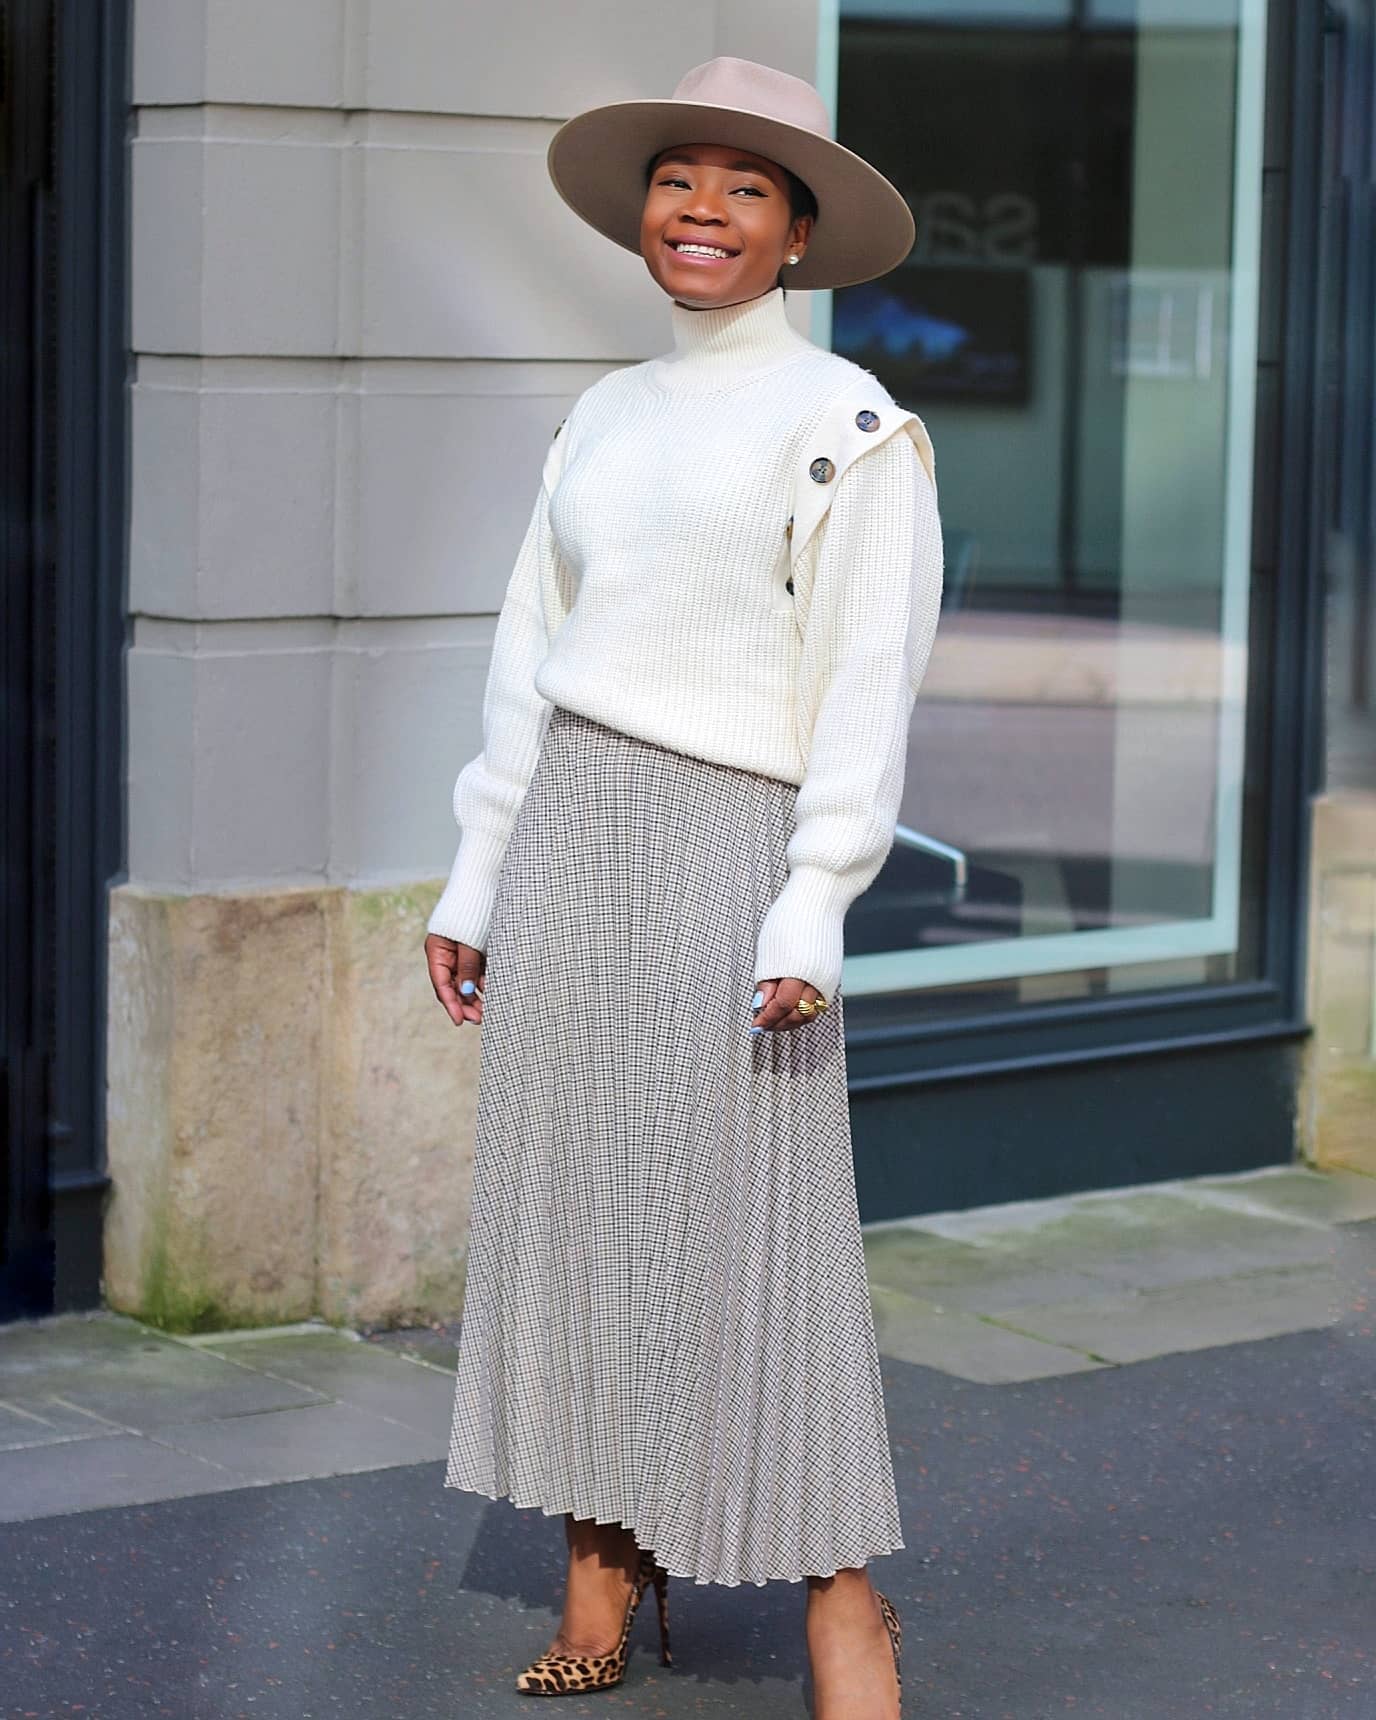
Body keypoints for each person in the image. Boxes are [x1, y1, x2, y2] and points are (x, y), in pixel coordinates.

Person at [422, 54, 943, 1717]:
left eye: (745, 186)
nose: (701, 208)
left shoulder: (847, 428)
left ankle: (843, 1602)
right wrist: (476, 874)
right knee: (570, 1206)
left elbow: (870, 681)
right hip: (574, 833)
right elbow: (531, 658)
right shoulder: (602, 416)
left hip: (738, 847)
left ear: (797, 233)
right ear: (643, 214)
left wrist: (815, 901)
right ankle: (602, 1561)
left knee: (757, 1235)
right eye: (679, 177)